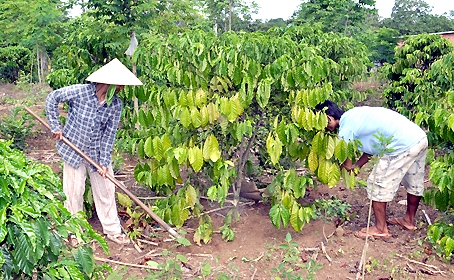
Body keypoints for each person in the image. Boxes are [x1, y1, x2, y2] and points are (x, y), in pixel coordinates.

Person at [46, 58, 143, 245]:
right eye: (119, 84)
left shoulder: (115, 105)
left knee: (106, 189)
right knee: (74, 192)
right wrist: (56, 126)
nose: (122, 88)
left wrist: (104, 162)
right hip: (73, 149)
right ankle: (75, 233)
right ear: (108, 83)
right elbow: (53, 98)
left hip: (97, 153)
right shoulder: (81, 92)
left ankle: (113, 230)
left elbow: (109, 135)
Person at [315, 100, 428, 239]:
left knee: (377, 183)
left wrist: (345, 169)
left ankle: (380, 228)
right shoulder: (355, 115)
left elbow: (345, 155)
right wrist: (358, 166)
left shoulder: (346, 128)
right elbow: (373, 148)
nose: (325, 127)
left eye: (323, 122)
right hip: (418, 138)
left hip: (401, 145)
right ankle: (408, 221)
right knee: (414, 181)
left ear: (329, 117)